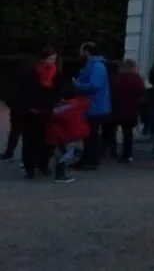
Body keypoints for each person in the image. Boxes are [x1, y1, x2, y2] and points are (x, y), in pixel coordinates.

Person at [19, 47, 59, 179]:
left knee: (47, 140)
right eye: (50, 59)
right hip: (32, 112)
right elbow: (23, 91)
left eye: (54, 59)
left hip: (48, 111)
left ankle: (43, 164)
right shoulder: (31, 73)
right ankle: (29, 167)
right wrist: (28, 106)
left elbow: (57, 91)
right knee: (31, 140)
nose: (53, 62)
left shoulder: (55, 73)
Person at [71, 42, 111, 170]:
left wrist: (77, 85)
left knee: (92, 134)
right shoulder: (94, 65)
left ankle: (91, 161)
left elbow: (94, 85)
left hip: (95, 105)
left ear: (87, 52)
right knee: (89, 134)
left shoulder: (97, 66)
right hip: (92, 105)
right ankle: (87, 159)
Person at [46, 84, 90, 184]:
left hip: (60, 134)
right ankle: (60, 175)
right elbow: (86, 102)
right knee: (68, 154)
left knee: (61, 153)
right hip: (72, 134)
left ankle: (58, 172)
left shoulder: (57, 108)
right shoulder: (76, 105)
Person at [109, 60, 146, 163]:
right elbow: (141, 93)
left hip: (116, 109)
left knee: (112, 131)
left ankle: (112, 151)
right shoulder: (136, 79)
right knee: (128, 133)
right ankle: (127, 154)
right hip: (131, 109)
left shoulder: (115, 78)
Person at [2, 53, 30, 163]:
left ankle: (9, 154)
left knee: (15, 131)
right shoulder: (32, 73)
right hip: (26, 106)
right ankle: (25, 158)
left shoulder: (15, 74)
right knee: (26, 134)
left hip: (17, 106)